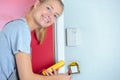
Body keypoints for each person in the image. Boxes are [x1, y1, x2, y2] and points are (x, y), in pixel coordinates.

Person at [0, 0, 71, 80]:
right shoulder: (21, 29)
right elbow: (26, 78)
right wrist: (56, 78)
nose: (50, 16)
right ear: (37, 4)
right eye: (48, 8)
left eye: (55, 15)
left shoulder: (19, 27)